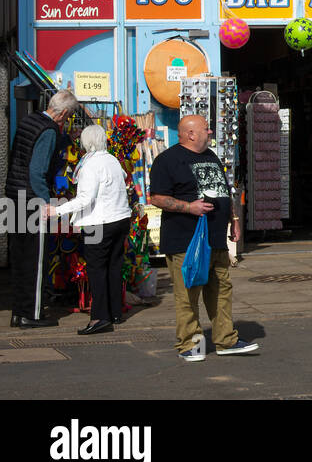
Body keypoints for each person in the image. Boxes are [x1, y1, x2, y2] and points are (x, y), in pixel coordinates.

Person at [148, 115, 259, 361]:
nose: (210, 132)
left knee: (221, 290)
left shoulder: (211, 156)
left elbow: (223, 190)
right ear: (190, 134)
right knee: (188, 293)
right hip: (185, 242)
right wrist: (189, 207)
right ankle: (190, 344)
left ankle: (226, 340)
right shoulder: (167, 160)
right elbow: (156, 197)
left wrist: (234, 220)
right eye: (206, 129)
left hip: (215, 239)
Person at [43, 125, 134, 334]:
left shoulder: (90, 165)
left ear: (86, 142)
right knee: (113, 266)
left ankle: (100, 318)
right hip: (120, 219)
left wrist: (57, 210)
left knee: (96, 269)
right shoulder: (112, 160)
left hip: (99, 222)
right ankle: (115, 312)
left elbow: (85, 198)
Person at [6, 89, 80, 328]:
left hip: (14, 196)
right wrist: (47, 201)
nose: (67, 122)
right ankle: (32, 314)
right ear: (65, 113)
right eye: (69, 118)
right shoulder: (48, 131)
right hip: (31, 201)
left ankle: (19, 312)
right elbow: (37, 171)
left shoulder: (29, 120)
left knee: (19, 259)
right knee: (36, 261)